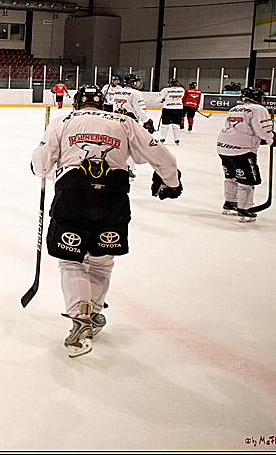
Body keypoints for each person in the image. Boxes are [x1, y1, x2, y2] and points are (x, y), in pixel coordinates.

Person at [31, 84, 182, 358]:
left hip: (73, 195)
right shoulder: (124, 121)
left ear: (77, 103)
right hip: (113, 197)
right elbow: (161, 154)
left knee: (72, 260)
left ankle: (81, 318)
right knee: (101, 260)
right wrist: (170, 181)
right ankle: (94, 312)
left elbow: (41, 164)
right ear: (102, 103)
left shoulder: (63, 120)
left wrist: (38, 168)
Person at [216, 87, 276, 223]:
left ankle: (230, 204)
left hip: (223, 147)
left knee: (231, 176)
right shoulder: (259, 109)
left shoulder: (234, 109)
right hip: (242, 150)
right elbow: (262, 130)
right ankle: (245, 209)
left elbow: (238, 128)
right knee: (247, 180)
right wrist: (271, 139)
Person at [110, 73, 154, 178]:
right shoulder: (135, 93)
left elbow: (114, 106)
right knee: (131, 145)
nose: (138, 84)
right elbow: (140, 109)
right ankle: (129, 167)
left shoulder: (117, 91)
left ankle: (115, 165)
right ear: (132, 83)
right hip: (130, 122)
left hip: (117, 120)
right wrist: (147, 121)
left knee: (117, 143)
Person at [157, 78, 185, 144]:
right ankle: (177, 139)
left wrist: (163, 100)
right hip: (179, 108)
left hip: (167, 108)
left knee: (165, 124)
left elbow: (158, 99)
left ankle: (163, 138)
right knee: (176, 125)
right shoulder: (182, 90)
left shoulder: (165, 90)